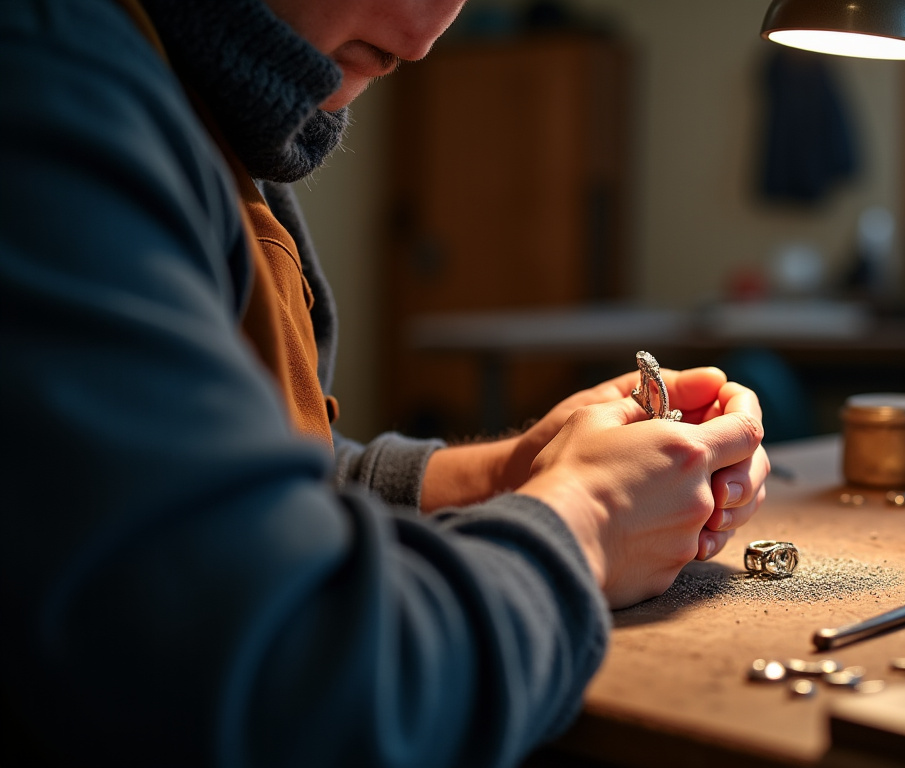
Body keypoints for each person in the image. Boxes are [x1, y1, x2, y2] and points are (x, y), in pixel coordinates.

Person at [0, 0, 770, 765]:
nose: (427, 33)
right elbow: (296, 693)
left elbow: (268, 489)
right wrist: (589, 520)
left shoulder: (208, 107)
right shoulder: (51, 92)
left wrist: (518, 471)